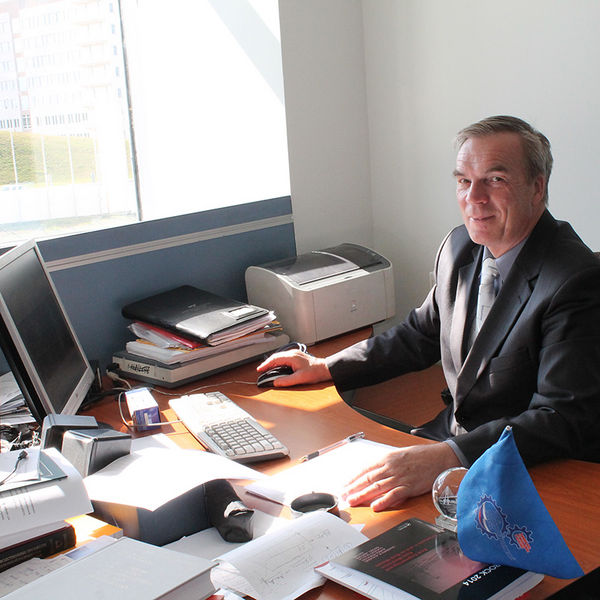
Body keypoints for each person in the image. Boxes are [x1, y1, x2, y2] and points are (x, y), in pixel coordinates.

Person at [257, 115, 600, 512]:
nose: (474, 197)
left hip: (529, 467)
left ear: (537, 187)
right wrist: (326, 367)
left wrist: (449, 457)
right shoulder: (459, 248)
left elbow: (560, 417)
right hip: (449, 440)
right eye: (464, 181)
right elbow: (419, 335)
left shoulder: (575, 280)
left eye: (495, 180)